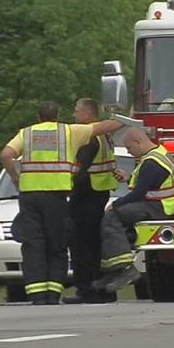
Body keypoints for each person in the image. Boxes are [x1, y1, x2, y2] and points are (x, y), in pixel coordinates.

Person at [0, 101, 125, 305]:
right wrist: (128, 118)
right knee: (57, 242)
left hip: (31, 195)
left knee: (35, 243)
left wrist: (15, 177)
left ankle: (38, 294)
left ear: (38, 117)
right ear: (57, 116)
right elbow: (106, 126)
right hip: (58, 195)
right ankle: (53, 294)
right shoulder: (68, 131)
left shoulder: (26, 133)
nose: (74, 115)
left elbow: (6, 155)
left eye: (77, 111)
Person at [93, 127, 174, 293]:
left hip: (159, 207)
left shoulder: (151, 163)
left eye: (129, 148)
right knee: (117, 225)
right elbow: (151, 184)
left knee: (111, 217)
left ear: (138, 142)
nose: (129, 152)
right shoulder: (158, 154)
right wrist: (128, 178)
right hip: (162, 204)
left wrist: (115, 204)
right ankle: (115, 271)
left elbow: (138, 194)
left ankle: (124, 270)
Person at [62, 98, 119, 304]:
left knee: (81, 244)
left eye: (77, 111)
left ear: (87, 114)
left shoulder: (89, 138)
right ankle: (103, 290)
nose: (74, 115)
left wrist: (67, 187)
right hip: (100, 192)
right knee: (95, 244)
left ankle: (85, 289)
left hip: (86, 195)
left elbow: (79, 171)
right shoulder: (105, 136)